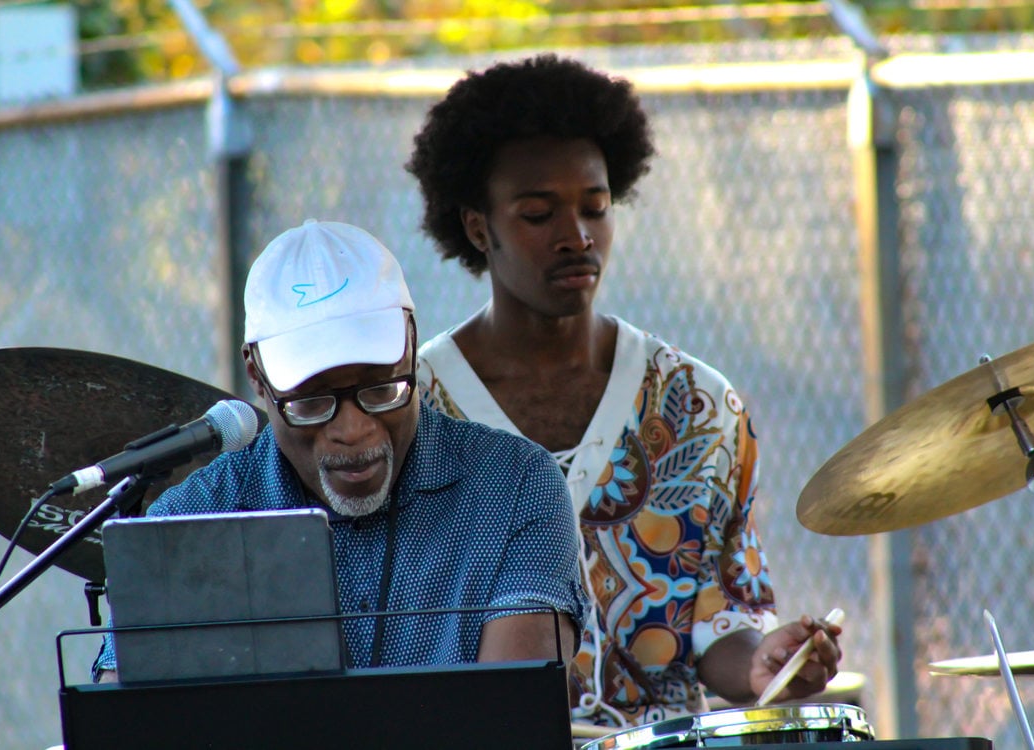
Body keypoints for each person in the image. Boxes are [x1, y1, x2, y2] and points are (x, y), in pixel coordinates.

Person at [406, 55, 841, 728]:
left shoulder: (695, 405)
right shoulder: (415, 411)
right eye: (537, 213)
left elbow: (717, 620)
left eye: (594, 207)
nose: (576, 237)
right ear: (476, 227)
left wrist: (761, 665)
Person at [93, 219, 587, 680]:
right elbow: (129, 717)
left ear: (411, 343)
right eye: (311, 402)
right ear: (256, 376)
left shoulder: (516, 486)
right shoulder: (189, 520)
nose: (353, 429)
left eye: (381, 388)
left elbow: (512, 719)